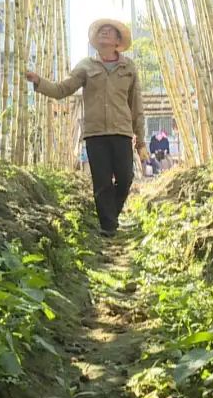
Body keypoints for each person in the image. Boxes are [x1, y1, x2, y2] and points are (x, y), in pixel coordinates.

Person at [26, 19, 146, 236]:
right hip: (95, 133)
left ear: (118, 41)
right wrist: (39, 82)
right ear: (95, 40)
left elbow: (136, 105)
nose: (105, 33)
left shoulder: (129, 68)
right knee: (101, 183)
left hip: (121, 131)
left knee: (126, 178)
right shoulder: (86, 66)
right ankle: (108, 227)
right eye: (101, 30)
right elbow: (63, 89)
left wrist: (141, 141)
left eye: (110, 31)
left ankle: (112, 216)